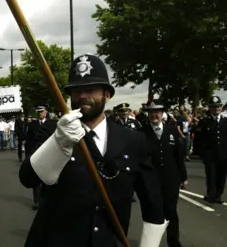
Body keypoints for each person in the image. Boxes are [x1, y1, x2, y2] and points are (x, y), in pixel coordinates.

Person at [19, 54, 167, 246]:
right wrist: (59, 141)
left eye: (91, 89)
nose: (82, 96)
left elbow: (152, 199)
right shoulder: (52, 130)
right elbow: (28, 178)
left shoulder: (132, 139)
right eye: (76, 91)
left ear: (107, 94)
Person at [142, 100, 187, 247]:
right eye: (151, 112)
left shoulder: (172, 130)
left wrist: (183, 177)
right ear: (148, 114)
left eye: (157, 112)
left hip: (170, 179)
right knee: (153, 212)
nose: (154, 115)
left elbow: (178, 156)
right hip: (151, 179)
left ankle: (173, 242)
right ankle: (152, 243)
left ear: (162, 114)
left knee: (171, 211)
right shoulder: (141, 132)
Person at [197, 96, 227, 204]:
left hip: (224, 155)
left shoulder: (225, 121)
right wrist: (202, 155)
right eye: (213, 107)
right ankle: (211, 194)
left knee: (221, 176)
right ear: (209, 108)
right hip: (210, 155)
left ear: (221, 107)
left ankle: (218, 195)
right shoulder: (204, 122)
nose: (216, 109)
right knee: (211, 175)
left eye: (218, 106)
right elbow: (198, 140)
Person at [25, 105, 49, 210]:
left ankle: (46, 200)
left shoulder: (51, 124)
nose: (40, 114)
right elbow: (28, 141)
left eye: (42, 112)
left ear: (46, 112)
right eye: (38, 112)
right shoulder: (32, 125)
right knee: (36, 180)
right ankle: (36, 201)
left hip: (49, 154)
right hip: (36, 154)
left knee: (48, 180)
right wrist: (28, 156)